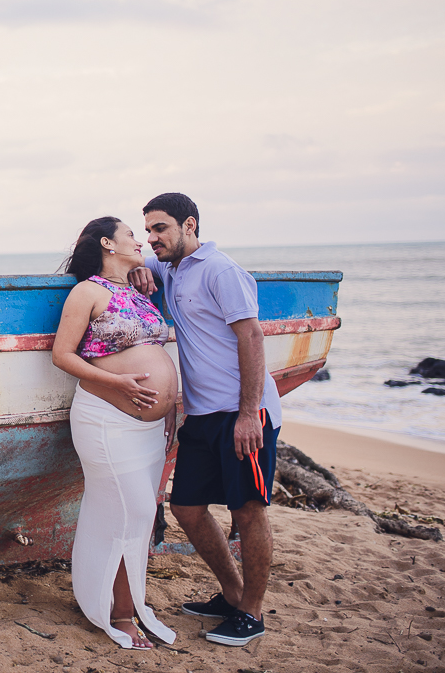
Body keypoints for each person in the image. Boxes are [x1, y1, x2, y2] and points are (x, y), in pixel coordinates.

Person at [128, 192, 280, 647]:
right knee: (187, 509)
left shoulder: (220, 270)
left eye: (160, 229)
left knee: (247, 510)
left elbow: (251, 336)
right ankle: (233, 593)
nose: (151, 238)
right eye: (147, 230)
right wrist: (139, 267)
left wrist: (249, 414)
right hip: (202, 414)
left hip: (243, 413)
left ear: (189, 225)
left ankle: (251, 612)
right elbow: (137, 270)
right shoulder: (170, 267)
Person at [51, 216, 178, 650]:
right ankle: (115, 613)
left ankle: (123, 606)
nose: (140, 240)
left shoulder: (139, 292)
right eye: (130, 234)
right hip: (105, 418)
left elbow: (155, 348)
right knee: (135, 512)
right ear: (107, 243)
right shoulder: (87, 291)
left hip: (150, 428)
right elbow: (62, 355)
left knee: (135, 520)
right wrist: (117, 383)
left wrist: (170, 408)